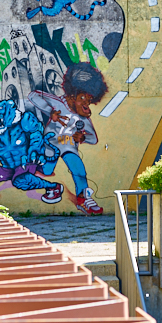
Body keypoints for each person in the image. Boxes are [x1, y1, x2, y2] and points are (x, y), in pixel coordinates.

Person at [27, 63, 108, 214]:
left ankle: (83, 199)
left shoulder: (83, 118)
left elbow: (93, 138)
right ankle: (47, 182)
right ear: (72, 95)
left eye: (89, 100)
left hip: (68, 146)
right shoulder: (58, 103)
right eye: (82, 97)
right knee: (45, 170)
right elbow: (33, 96)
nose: (85, 103)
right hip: (50, 144)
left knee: (79, 170)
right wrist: (50, 112)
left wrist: (82, 137)